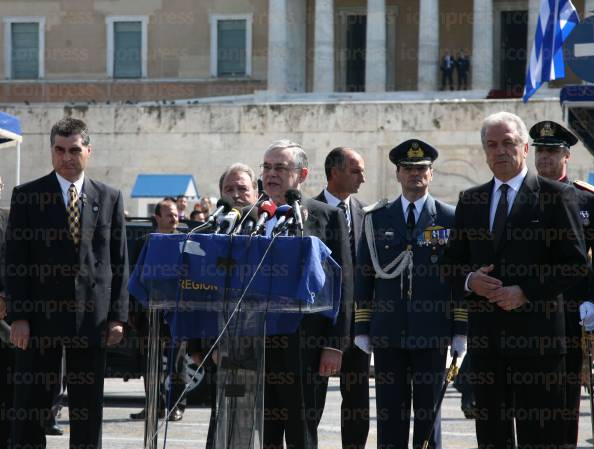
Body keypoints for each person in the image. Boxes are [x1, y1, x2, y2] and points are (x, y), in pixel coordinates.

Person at [441, 111, 588, 449]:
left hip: (538, 342)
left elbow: (574, 263)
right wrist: (469, 281)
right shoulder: (471, 200)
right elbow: (450, 263)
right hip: (488, 341)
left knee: (540, 435)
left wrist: (525, 291)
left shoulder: (555, 197)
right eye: (492, 145)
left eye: (508, 143)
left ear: (524, 149)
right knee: (492, 434)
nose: (500, 151)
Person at [6, 117, 129, 449]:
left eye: (74, 150)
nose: (67, 157)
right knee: (31, 405)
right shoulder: (27, 196)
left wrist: (118, 316)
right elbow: (16, 261)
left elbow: (118, 262)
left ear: (88, 151)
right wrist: (18, 317)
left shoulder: (110, 198)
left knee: (87, 409)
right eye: (59, 150)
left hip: (93, 320)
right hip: (39, 320)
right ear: (51, 151)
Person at [354, 139, 467, 449]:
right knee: (390, 412)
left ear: (431, 174)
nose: (415, 174)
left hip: (432, 332)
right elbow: (365, 275)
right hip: (388, 332)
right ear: (398, 174)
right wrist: (362, 327)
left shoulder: (450, 217)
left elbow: (458, 280)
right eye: (408, 169)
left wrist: (460, 329)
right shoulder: (376, 218)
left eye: (422, 169)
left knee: (429, 414)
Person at [261, 140, 353, 449]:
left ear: (302, 174)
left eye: (280, 168)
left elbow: (344, 285)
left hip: (307, 346)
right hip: (257, 345)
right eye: (267, 167)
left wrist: (335, 344)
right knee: (266, 434)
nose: (271, 174)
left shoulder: (327, 217)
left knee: (302, 435)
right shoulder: (250, 217)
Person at [531, 120, 594, 449]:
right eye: (540, 151)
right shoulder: (520, 197)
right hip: (526, 312)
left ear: (566, 156)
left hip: (571, 313)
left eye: (552, 151)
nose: (545, 158)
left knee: (566, 400)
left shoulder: (584, 200)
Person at [188, 162, 258, 449]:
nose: (236, 195)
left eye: (243, 188)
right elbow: (196, 293)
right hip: (224, 351)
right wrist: (197, 347)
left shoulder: (274, 229)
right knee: (225, 427)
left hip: (267, 348)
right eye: (229, 189)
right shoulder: (210, 233)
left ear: (256, 192)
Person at [314, 147, 369, 449]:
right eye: (356, 170)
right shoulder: (309, 211)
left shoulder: (364, 213)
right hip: (319, 324)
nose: (363, 177)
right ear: (335, 172)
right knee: (312, 403)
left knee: (358, 402)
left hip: (356, 325)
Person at [129, 198, 187, 422]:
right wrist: (132, 312)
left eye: (176, 214)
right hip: (149, 313)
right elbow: (134, 279)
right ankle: (154, 405)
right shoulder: (145, 242)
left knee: (177, 362)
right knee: (150, 363)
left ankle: (177, 406)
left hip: (177, 311)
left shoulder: (186, 240)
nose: (174, 218)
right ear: (158, 217)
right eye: (169, 214)